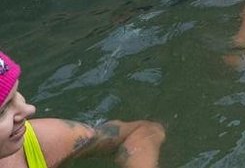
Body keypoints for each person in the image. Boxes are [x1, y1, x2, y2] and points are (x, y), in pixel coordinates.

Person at [0, 49, 165, 167]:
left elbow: (144, 131)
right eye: (3, 110)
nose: (29, 109)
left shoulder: (43, 143)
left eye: (16, 94)